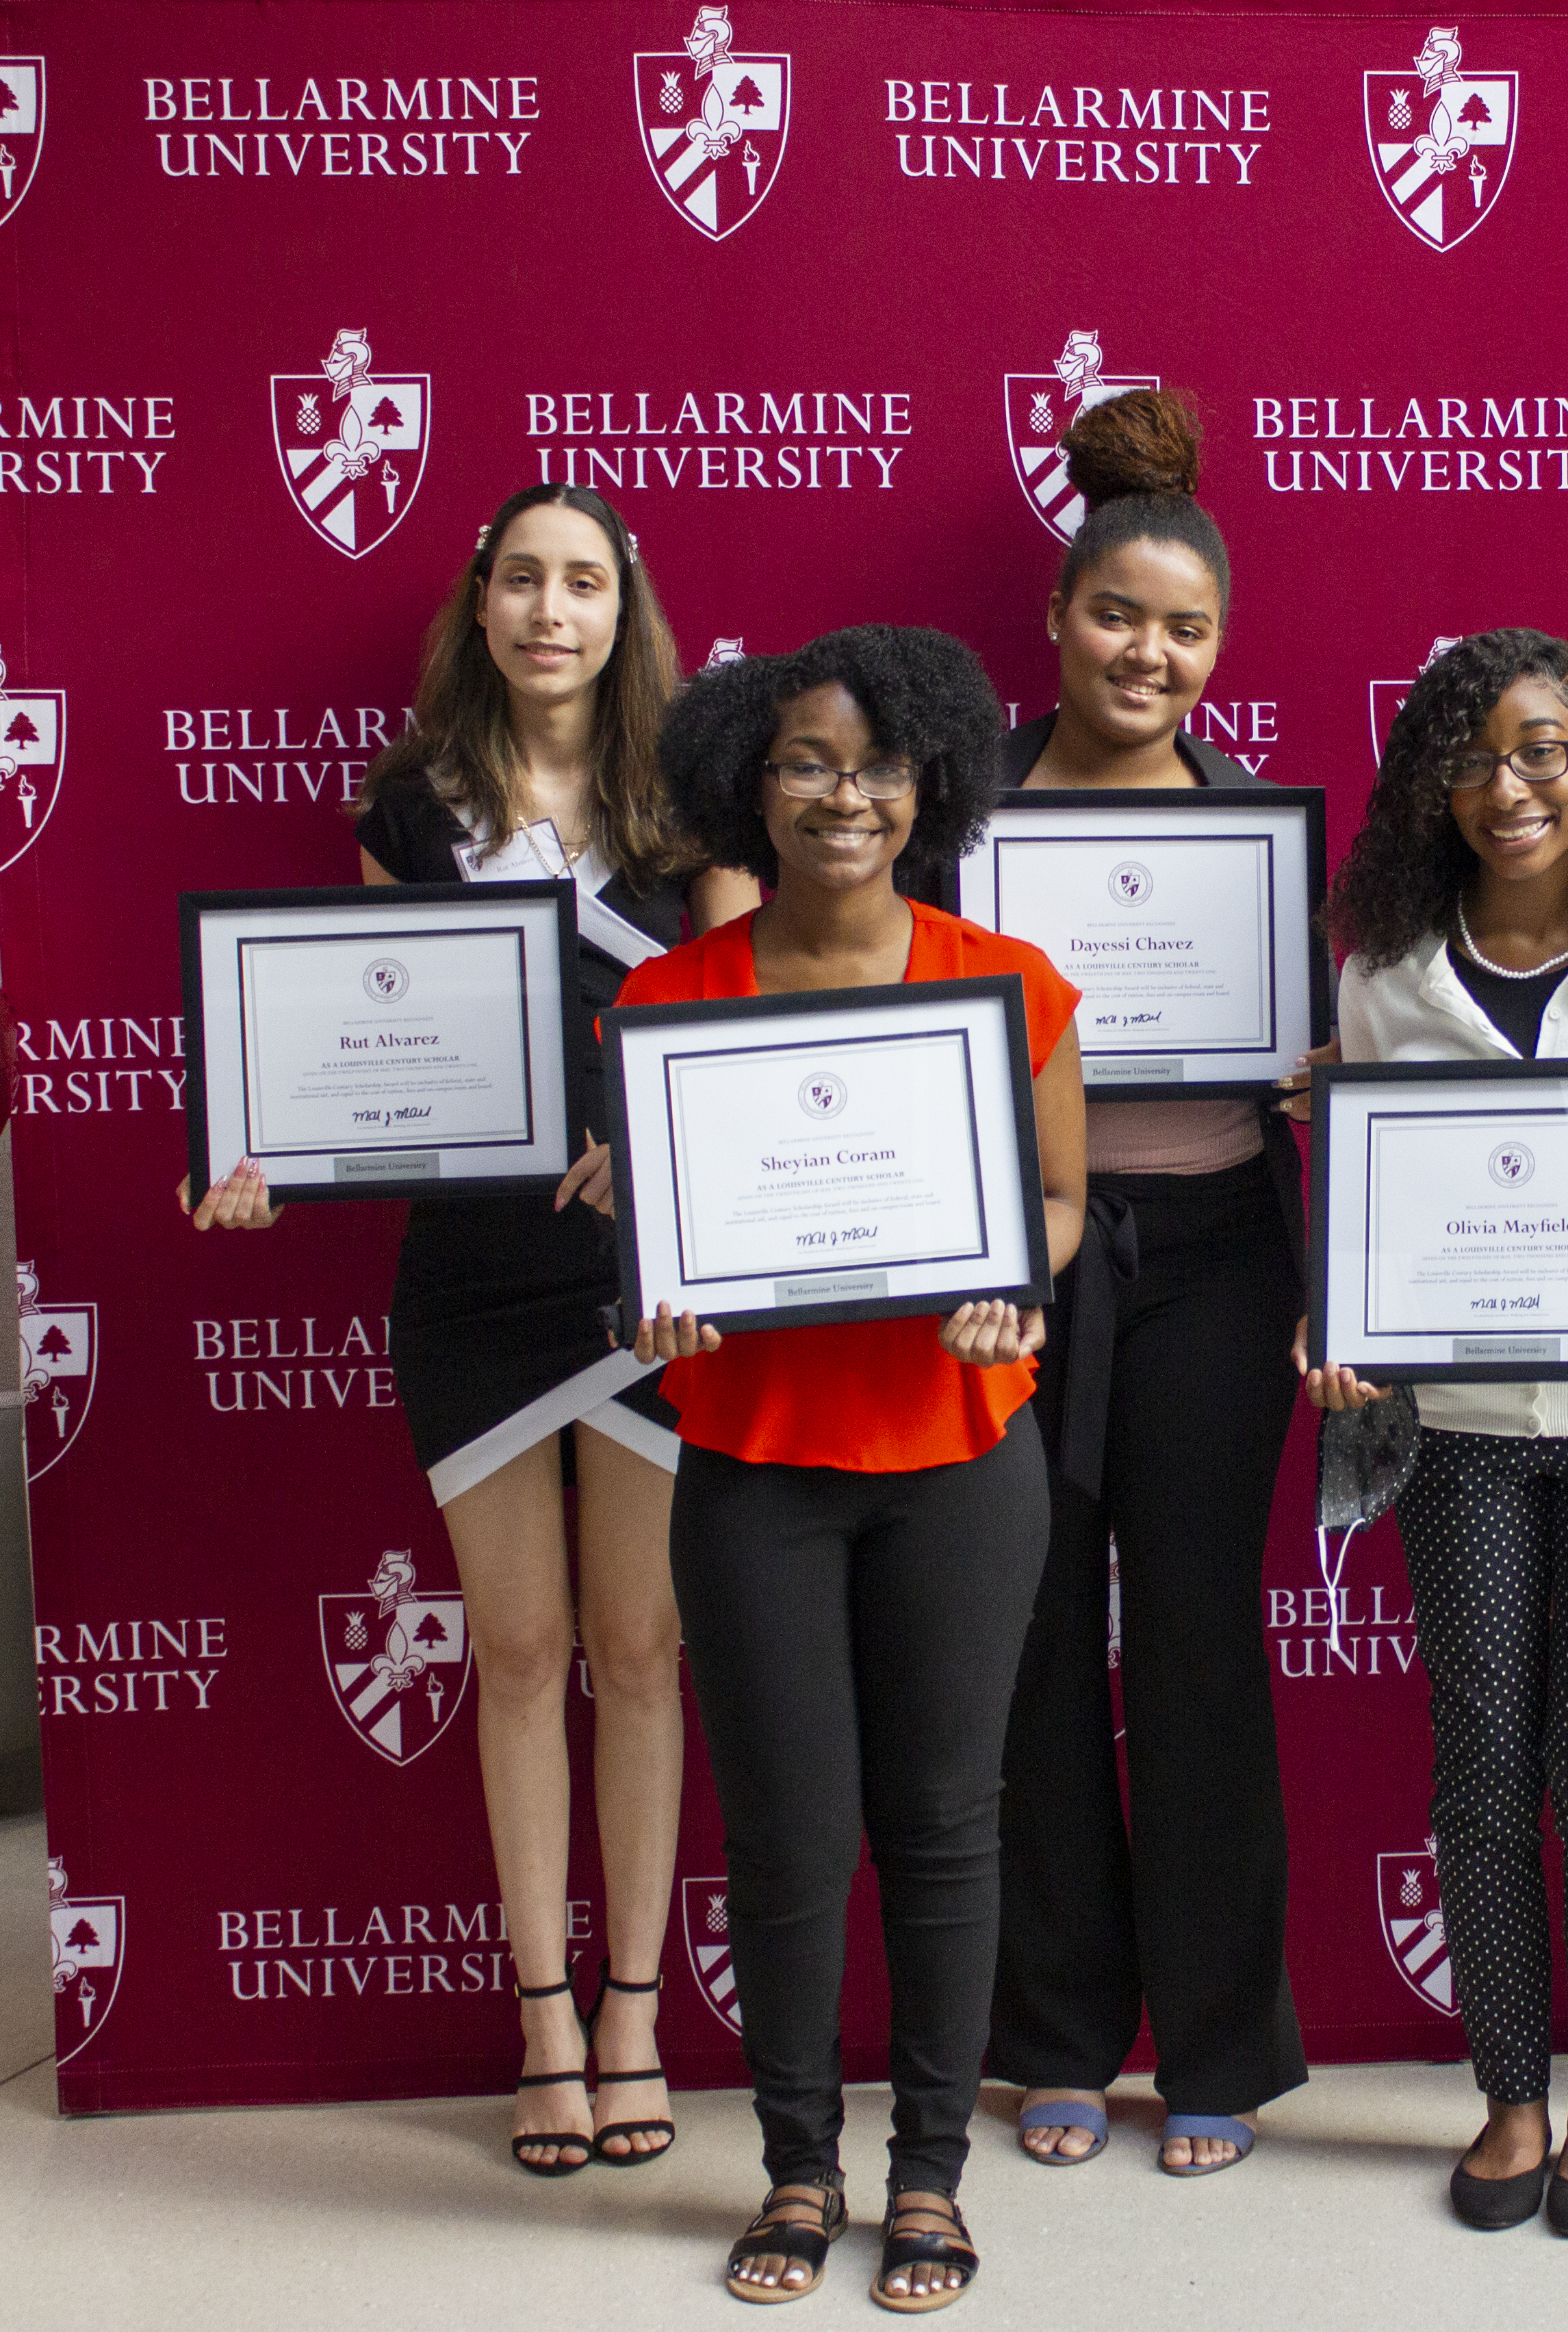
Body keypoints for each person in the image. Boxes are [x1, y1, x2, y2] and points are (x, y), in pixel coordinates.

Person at [184, 483, 745, 2175]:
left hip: (648, 1279)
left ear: (621, 605)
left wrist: (645, 1142)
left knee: (641, 1655)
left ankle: (639, 2016)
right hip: (472, 1284)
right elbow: (383, 1045)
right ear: (480, 603)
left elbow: (731, 1020)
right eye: (523, 580)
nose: (550, 611)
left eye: (583, 581)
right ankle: (545, 2029)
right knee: (515, 1656)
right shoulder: (408, 809)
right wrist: (278, 1154)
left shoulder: (694, 792)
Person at [589, 626, 1085, 2311]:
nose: (843, 794)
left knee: (945, 1831)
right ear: (751, 782)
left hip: (958, 1457)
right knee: (791, 1845)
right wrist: (655, 1312)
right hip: (755, 1472)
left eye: (877, 765)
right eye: (805, 762)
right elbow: (662, 1255)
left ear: (929, 782)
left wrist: (1023, 1270)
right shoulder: (670, 1002)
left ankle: (931, 2178)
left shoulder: (1007, 981)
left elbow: (1068, 1203)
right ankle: (798, 2168)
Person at [1296, 628, 1568, 2238]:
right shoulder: (1383, 972)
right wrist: (1337, 1327)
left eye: (1544, 749)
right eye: (1474, 757)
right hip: (1460, 1422)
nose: (1510, 786)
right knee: (1482, 1764)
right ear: (1434, 784)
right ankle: (1508, 2092)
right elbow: (1369, 1202)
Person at [971, 389, 1308, 2179]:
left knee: (1196, 1646)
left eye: (1186, 632)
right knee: (1028, 1646)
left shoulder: (1260, 829)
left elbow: (1307, 1061)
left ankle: (1220, 2056)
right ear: (1055, 618)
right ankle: (1051, 2036)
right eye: (1119, 617)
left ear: (1218, 651)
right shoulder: (963, 815)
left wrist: (1324, 1060)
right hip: (1015, 1272)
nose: (1147, 653)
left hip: (1219, 1262)